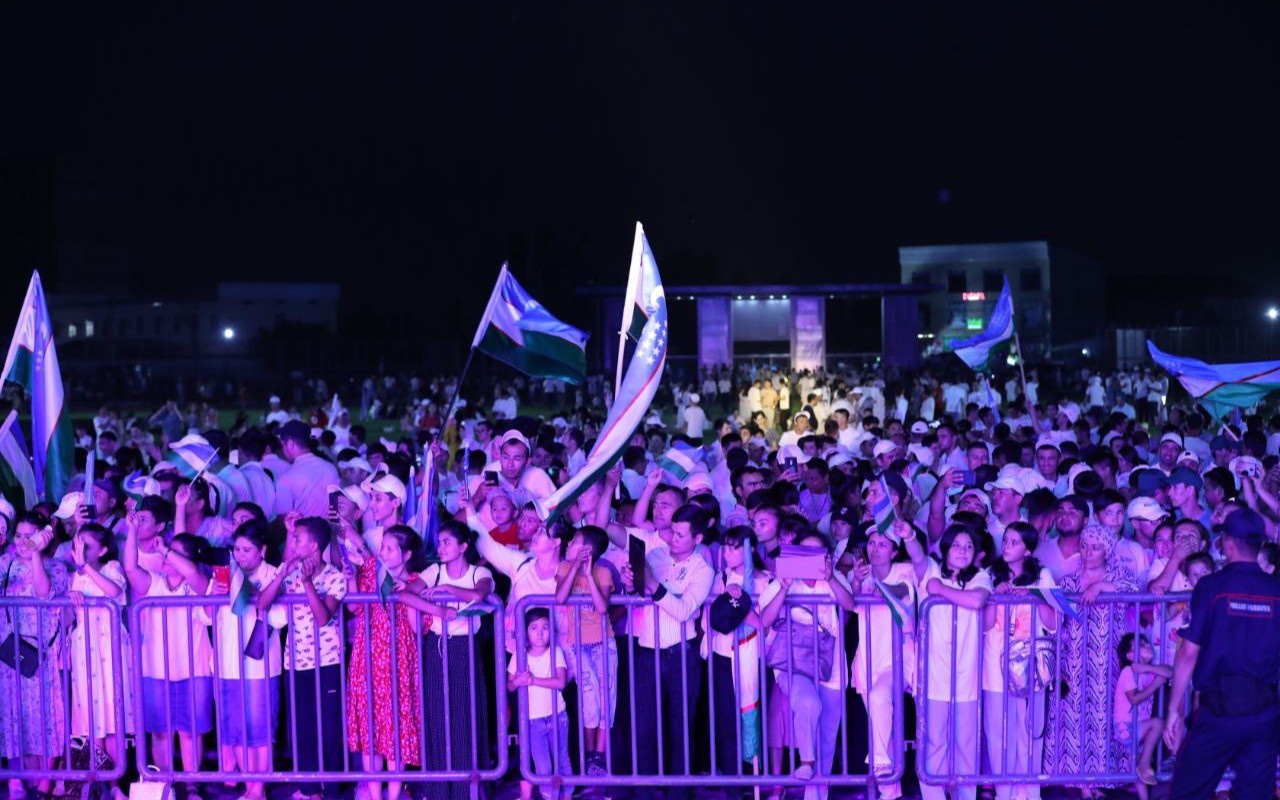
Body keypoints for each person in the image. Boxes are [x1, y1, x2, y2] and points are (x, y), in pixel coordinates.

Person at [1164, 508, 1280, 800]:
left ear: (1227, 543)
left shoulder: (1211, 587)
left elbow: (1188, 653)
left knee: (1187, 793)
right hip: (1264, 711)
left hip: (1218, 712)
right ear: (1260, 544)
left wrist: (1173, 709)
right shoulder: (1275, 591)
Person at [256, 515, 347, 800]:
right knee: (303, 726)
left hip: (327, 662)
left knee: (329, 727)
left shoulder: (335, 576)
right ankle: (309, 789)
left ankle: (332, 789)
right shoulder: (291, 572)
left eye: (297, 538)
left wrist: (307, 583)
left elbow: (323, 617)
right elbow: (262, 603)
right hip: (295, 662)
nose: (292, 542)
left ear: (314, 545)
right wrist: (281, 575)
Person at [1045, 523, 1138, 799]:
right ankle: (1080, 782)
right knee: (1073, 716)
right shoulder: (1068, 582)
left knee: (1103, 717)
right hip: (1073, 658)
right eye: (1085, 545)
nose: (1088, 552)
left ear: (1107, 550)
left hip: (1107, 660)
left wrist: (1101, 586)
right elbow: (1057, 622)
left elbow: (1135, 591)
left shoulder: (1120, 576)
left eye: (1095, 547)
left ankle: (1100, 779)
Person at [123, 519, 213, 797]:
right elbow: (130, 568)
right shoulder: (155, 583)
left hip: (193, 669)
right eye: (166, 551)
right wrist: (132, 530)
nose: (165, 554)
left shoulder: (199, 585)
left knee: (190, 731)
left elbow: (194, 574)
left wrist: (165, 549)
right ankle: (163, 784)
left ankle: (192, 784)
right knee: (160, 731)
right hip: (155, 669)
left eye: (174, 552)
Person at [342, 523, 432, 800]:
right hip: (367, 660)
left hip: (398, 665)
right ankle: (374, 794)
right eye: (383, 547)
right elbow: (353, 606)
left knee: (396, 731)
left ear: (406, 555)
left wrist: (410, 595)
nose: (383, 552)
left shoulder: (417, 580)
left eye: (390, 548)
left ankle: (393, 795)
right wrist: (351, 578)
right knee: (370, 729)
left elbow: (419, 627)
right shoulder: (371, 570)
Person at [409, 521, 494, 800]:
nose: (441, 547)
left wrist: (448, 589)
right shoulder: (433, 571)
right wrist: (438, 610)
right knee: (437, 714)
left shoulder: (478, 572)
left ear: (463, 547)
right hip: (436, 645)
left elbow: (479, 593)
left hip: (465, 646)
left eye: (447, 542)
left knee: (464, 714)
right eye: (440, 542)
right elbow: (405, 594)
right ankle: (439, 790)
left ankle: (466, 790)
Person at [911, 523, 992, 800]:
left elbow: (977, 601)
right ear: (945, 548)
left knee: (966, 747)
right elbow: (917, 556)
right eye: (956, 545)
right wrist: (909, 536)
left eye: (969, 546)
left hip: (967, 677)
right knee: (933, 744)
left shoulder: (980, 577)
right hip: (933, 676)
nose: (962, 551)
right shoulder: (932, 571)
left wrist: (940, 591)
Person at [211, 520, 287, 800]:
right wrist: (214, 597)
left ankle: (258, 788)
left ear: (262, 550)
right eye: (237, 550)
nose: (240, 555)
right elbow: (206, 616)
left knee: (260, 729)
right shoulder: (224, 574)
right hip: (227, 663)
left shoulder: (273, 575)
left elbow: (280, 616)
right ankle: (249, 785)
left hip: (259, 666)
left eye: (246, 550)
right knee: (234, 728)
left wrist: (252, 595)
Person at [982, 522, 1054, 800]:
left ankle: (1029, 794)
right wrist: (994, 598)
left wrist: (1035, 596)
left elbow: (1052, 623)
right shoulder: (990, 574)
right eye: (1006, 540)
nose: (1007, 545)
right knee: (999, 733)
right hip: (995, 664)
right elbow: (986, 625)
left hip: (1032, 666)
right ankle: (1005, 793)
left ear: (1027, 550)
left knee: (1031, 731)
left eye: (1014, 542)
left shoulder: (1042, 575)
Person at [0, 513, 69, 800]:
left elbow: (44, 593)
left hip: (43, 654)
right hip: (9, 653)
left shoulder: (57, 566)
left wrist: (37, 555)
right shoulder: (5, 564)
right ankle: (15, 779)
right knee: (13, 716)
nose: (22, 542)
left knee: (47, 718)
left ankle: (45, 781)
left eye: (29, 536)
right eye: (18, 536)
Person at [67, 523, 133, 800]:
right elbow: (69, 616)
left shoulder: (112, 568)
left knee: (112, 714)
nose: (81, 550)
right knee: (92, 718)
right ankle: (98, 782)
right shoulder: (76, 577)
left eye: (87, 546)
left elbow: (114, 592)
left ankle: (116, 783)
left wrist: (86, 568)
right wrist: (71, 597)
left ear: (103, 550)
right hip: (85, 651)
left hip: (109, 649)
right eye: (78, 544)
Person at [554, 525, 617, 776]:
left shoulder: (603, 572)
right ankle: (590, 753)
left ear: (588, 549)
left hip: (605, 642)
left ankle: (599, 755)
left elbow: (602, 607)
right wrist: (575, 568)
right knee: (589, 700)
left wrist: (588, 574)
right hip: (577, 644)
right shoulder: (564, 568)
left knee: (606, 697)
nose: (569, 544)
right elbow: (560, 598)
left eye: (575, 541)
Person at [509, 608, 572, 800]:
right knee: (543, 766)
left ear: (551, 631)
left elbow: (561, 682)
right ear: (525, 632)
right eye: (534, 627)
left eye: (545, 627)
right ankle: (549, 796)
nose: (539, 632)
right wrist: (518, 681)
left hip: (557, 716)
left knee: (562, 759)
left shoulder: (556, 652)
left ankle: (568, 796)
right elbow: (509, 686)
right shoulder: (519, 656)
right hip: (533, 721)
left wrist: (532, 680)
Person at [1113, 633, 1170, 798]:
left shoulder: (1148, 672)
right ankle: (1145, 763)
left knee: (1137, 766)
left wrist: (1148, 668)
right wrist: (1155, 684)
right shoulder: (1128, 671)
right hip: (1126, 727)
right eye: (1141, 644)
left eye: (1147, 642)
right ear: (1130, 656)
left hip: (1138, 727)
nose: (1148, 645)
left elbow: (1170, 672)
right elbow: (1134, 699)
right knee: (1158, 724)